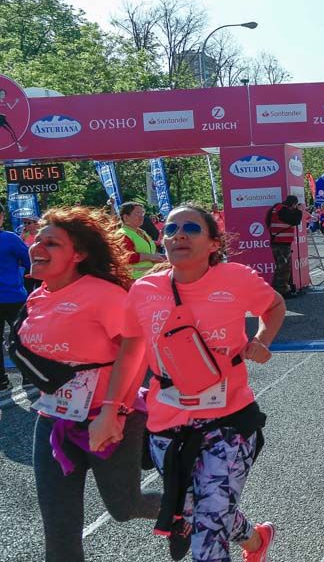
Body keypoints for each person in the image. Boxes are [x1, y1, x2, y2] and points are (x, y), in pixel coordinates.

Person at [121, 203, 285, 562]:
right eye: (171, 229)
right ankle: (256, 540)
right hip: (167, 425)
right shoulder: (143, 290)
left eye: (192, 229)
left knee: (208, 531)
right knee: (199, 509)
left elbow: (274, 306)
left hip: (229, 421)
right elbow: (131, 353)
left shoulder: (236, 278)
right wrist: (112, 410)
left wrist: (261, 340)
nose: (179, 234)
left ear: (213, 243)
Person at [22, 207, 161, 561]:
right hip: (54, 420)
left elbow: (137, 346)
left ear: (79, 253)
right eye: (38, 240)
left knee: (125, 507)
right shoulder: (37, 296)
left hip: (108, 417)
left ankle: (191, 510)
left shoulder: (103, 295)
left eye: (51, 243)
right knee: (59, 531)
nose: (38, 247)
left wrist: (114, 411)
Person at [0, 206, 29, 391]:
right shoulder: (10, 238)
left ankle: (1, 381)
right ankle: (29, 375)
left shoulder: (11, 238)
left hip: (12, 295)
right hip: (13, 295)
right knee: (22, 337)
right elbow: (28, 261)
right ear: (2, 217)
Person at [266, 195, 303, 299]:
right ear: (293, 203)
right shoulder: (282, 210)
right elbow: (295, 221)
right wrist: (299, 211)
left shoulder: (278, 208)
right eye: (295, 205)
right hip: (281, 243)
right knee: (283, 268)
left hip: (279, 242)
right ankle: (281, 291)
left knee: (281, 268)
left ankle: (276, 291)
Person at [119, 201, 165, 279]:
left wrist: (161, 256)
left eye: (142, 213)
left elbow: (149, 251)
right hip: (134, 279)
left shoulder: (142, 232)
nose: (142, 217)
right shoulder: (122, 234)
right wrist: (150, 257)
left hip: (149, 276)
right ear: (126, 217)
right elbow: (127, 256)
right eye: (137, 214)